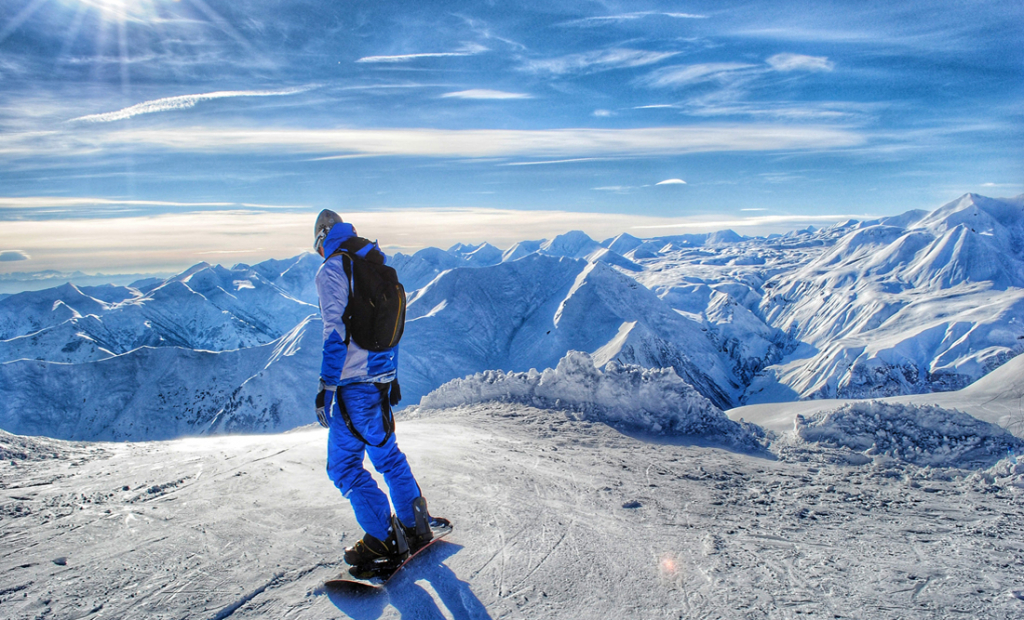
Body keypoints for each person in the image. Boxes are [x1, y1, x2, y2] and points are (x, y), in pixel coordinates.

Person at [312, 208, 444, 569]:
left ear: (322, 238)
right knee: (387, 455)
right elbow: (388, 329)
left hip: (354, 386)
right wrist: (390, 376)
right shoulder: (373, 261)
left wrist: (326, 385)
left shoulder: (334, 268)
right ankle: (416, 525)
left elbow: (335, 331)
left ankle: (383, 541)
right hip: (380, 379)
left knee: (344, 467)